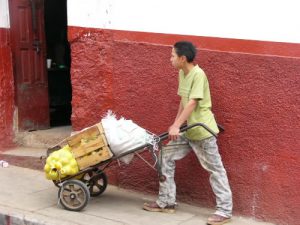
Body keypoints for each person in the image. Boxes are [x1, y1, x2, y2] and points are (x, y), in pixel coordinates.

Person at [143, 41, 233, 225]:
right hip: (188, 131)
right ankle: (166, 201)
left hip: (202, 131)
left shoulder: (198, 75)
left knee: (215, 170)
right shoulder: (182, 73)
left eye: (172, 56)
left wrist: (177, 125)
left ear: (183, 59)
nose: (170, 59)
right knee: (164, 156)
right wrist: (175, 124)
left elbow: (192, 103)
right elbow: (183, 101)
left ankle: (224, 211)